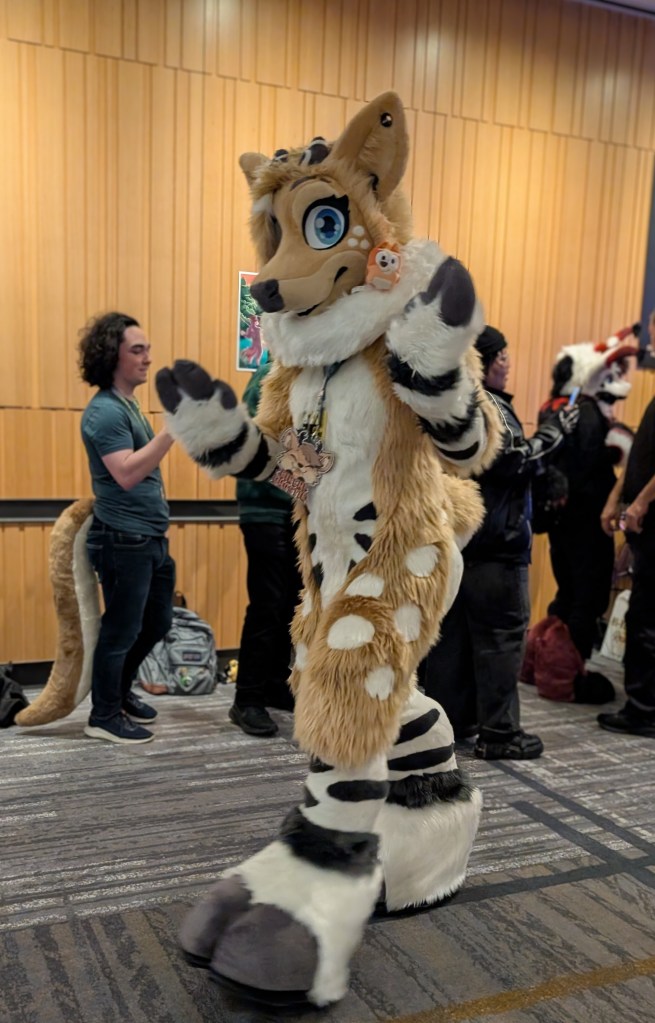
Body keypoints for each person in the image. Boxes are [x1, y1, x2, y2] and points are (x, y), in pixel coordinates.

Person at [418, 325, 578, 759]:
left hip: (458, 543)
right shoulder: (490, 408)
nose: (508, 364)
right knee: (502, 638)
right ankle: (500, 734)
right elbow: (512, 462)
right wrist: (553, 433)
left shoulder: (449, 404)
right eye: (502, 356)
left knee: (452, 641)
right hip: (497, 546)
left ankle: (449, 724)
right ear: (484, 361)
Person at [79, 312, 175, 744]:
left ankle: (118, 693)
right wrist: (172, 431)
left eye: (147, 349)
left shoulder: (128, 405)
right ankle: (103, 715)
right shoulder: (103, 412)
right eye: (137, 350)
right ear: (111, 356)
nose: (147, 358)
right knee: (120, 631)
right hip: (123, 538)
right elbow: (127, 474)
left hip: (147, 537)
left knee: (157, 622)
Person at [228, 363, 302, 737]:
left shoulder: (310, 378)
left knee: (289, 602)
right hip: (264, 508)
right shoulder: (269, 376)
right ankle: (247, 699)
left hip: (294, 509)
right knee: (267, 604)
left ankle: (274, 684)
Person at [598, 392, 655, 738]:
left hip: (650, 520)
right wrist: (616, 498)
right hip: (644, 522)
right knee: (641, 615)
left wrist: (640, 503)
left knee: (646, 619)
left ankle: (644, 710)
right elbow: (640, 455)